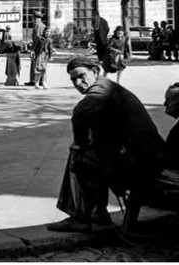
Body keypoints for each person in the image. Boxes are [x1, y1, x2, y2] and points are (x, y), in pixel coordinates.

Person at [47, 56, 165, 234]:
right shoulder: (108, 87)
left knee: (79, 157)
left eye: (81, 76)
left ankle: (82, 217)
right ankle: (96, 213)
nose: (77, 83)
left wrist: (80, 144)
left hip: (144, 162)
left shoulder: (101, 90)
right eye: (73, 79)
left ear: (95, 72)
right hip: (145, 157)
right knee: (92, 155)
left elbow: (81, 114)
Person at [26, 10, 47, 85]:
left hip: (37, 48)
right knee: (42, 64)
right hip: (43, 48)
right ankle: (42, 81)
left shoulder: (37, 25)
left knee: (36, 64)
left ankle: (34, 81)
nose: (32, 19)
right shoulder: (43, 25)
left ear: (35, 17)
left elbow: (37, 38)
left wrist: (32, 49)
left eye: (32, 17)